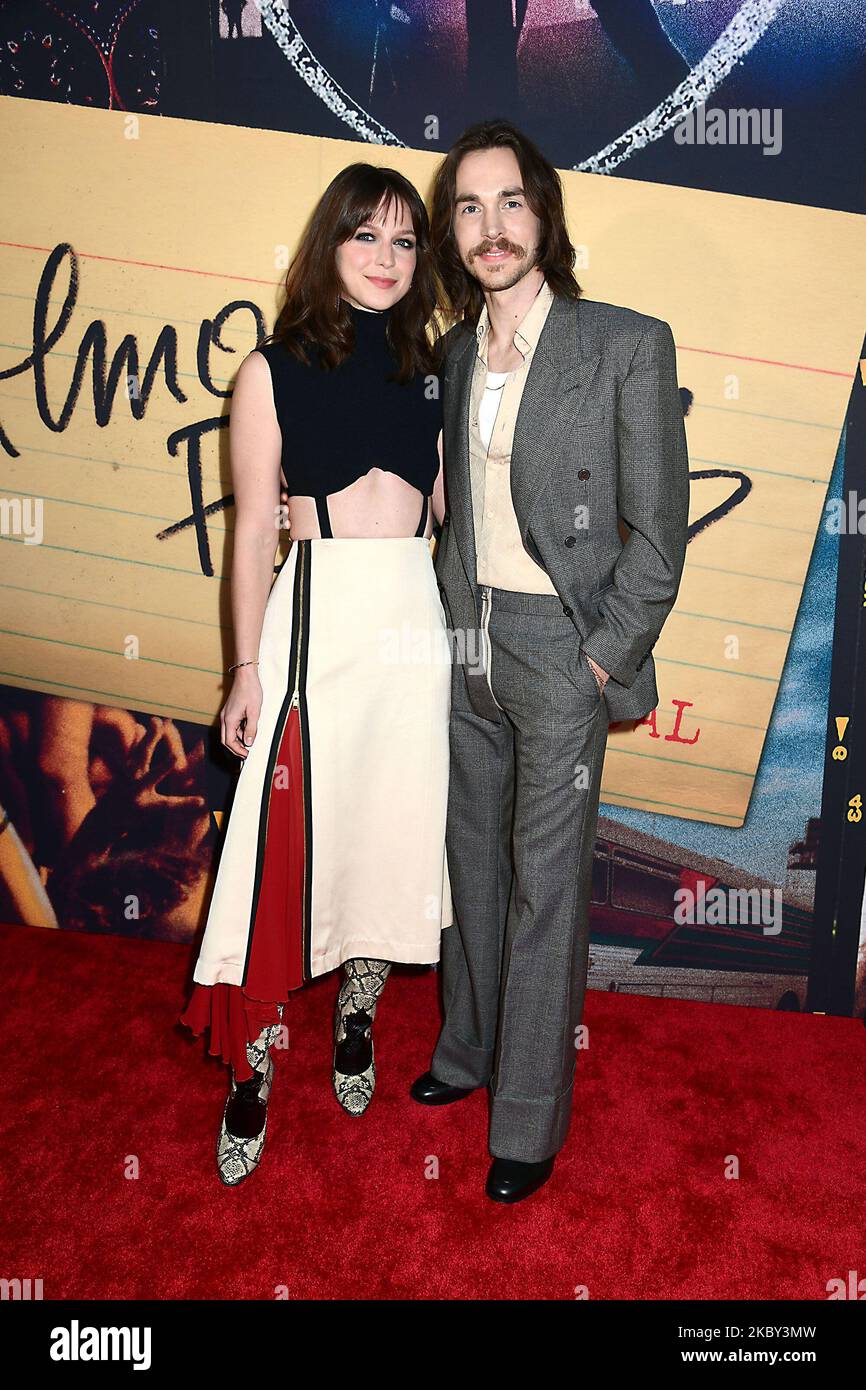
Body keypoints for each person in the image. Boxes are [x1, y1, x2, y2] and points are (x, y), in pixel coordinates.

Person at [411, 119, 690, 1203]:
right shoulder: (445, 353)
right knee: (468, 867)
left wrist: (595, 660)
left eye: (509, 202)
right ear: (453, 232)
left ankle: (524, 1120)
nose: (490, 227)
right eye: (468, 208)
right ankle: (465, 1052)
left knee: (543, 890)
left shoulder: (624, 342)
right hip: (462, 637)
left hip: (554, 651)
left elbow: (657, 535)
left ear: (544, 216)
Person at [178, 162, 453, 1186]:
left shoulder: (433, 368)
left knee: (388, 825)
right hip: (313, 621)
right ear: (328, 244)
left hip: (409, 626)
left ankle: (356, 1010)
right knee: (274, 845)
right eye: (364, 236)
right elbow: (252, 530)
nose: (384, 258)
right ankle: (251, 1067)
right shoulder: (271, 366)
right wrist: (243, 668)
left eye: (402, 241)